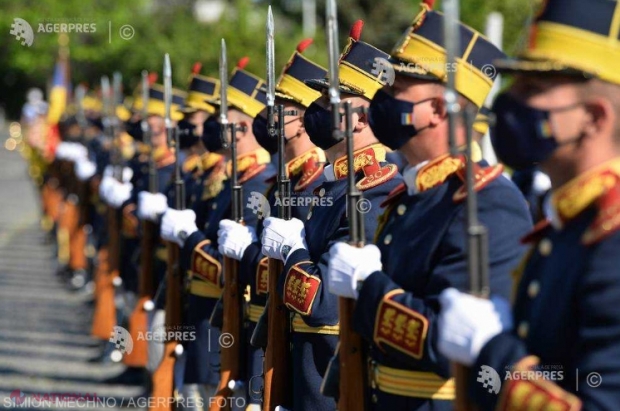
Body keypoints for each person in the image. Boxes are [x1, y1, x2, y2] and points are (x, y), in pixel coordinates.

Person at [324, 2, 533, 409]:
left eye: (398, 90)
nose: (382, 100)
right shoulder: (411, 196)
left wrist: (369, 288)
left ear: (437, 110)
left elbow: (445, 342)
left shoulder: (490, 202)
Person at [437, 0, 620, 409]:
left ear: (593, 116)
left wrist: (493, 353)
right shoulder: (570, 223)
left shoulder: (611, 240)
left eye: (533, 89)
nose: (510, 101)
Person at [259, 20, 403, 411]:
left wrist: (291, 251)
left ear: (360, 119)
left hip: (331, 386)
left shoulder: (376, 189)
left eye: (327, 104)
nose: (315, 112)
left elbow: (321, 302)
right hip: (303, 377)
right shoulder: (333, 185)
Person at [216, 38, 328, 409]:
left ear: (306, 118)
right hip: (265, 328)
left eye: (284, 108)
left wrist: (248, 253)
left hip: (306, 350)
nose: (273, 117)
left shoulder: (318, 186)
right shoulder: (284, 183)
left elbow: (297, 276)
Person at [159, 57, 276, 402]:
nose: (217, 129)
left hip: (227, 320)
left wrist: (189, 238)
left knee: (206, 396)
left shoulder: (257, 182)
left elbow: (235, 270)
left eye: (226, 122)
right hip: (206, 310)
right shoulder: (231, 178)